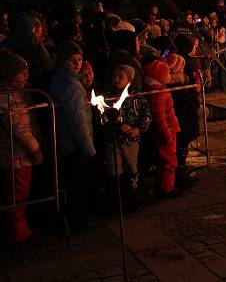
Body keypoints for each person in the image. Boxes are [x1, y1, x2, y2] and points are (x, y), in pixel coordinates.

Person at [49, 40, 95, 228]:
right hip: (72, 143)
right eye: (72, 60)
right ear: (62, 61)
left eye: (79, 59)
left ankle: (73, 216)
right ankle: (75, 219)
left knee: (71, 182)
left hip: (65, 141)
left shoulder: (65, 80)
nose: (77, 64)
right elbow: (76, 120)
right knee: (75, 183)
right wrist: (88, 147)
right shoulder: (71, 85)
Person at [0, 50, 43, 244]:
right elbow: (16, 126)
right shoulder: (5, 97)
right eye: (22, 72)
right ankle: (18, 233)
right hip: (14, 155)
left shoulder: (19, 94)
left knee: (22, 193)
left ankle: (20, 229)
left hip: (20, 154)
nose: (26, 76)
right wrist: (34, 147)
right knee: (17, 194)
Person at [103, 64, 150, 213]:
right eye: (114, 76)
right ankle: (116, 201)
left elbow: (146, 115)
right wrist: (115, 125)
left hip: (130, 140)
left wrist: (138, 129)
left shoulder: (137, 95)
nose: (116, 79)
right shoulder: (107, 95)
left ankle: (132, 199)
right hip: (113, 139)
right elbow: (103, 117)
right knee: (114, 169)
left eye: (120, 77)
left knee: (131, 168)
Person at [142, 59, 179, 197]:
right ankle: (167, 188)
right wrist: (167, 134)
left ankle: (164, 184)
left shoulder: (156, 90)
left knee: (163, 160)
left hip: (167, 128)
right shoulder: (157, 93)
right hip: (167, 129)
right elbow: (159, 116)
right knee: (168, 160)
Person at [173, 35, 201, 187]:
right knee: (183, 138)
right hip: (184, 106)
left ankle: (181, 169)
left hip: (185, 104)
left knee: (183, 139)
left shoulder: (184, 60)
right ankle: (180, 172)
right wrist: (192, 103)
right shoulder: (183, 62)